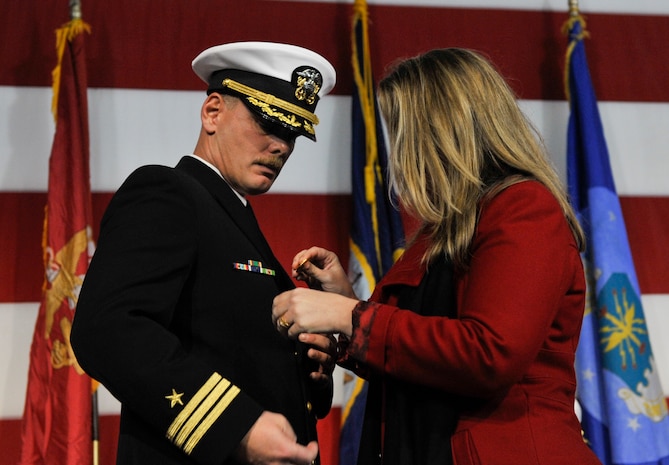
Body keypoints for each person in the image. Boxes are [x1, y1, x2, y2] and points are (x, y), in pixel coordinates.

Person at [271, 48, 602, 465]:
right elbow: (420, 359)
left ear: (442, 130)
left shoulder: (523, 208)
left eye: (401, 132)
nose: (398, 153)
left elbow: (489, 355)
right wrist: (346, 299)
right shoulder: (448, 226)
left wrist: (348, 315)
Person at [71, 41, 337, 465]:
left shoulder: (231, 216)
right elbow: (106, 330)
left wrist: (315, 367)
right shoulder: (167, 193)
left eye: (291, 133)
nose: (282, 146)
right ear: (212, 111)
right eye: (269, 122)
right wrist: (237, 426)